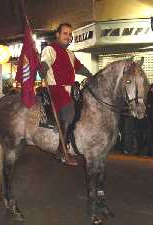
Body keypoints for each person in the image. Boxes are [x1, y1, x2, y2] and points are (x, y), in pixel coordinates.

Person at [39, 23, 92, 166]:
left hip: (70, 89)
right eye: (65, 33)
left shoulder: (70, 54)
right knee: (69, 111)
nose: (68, 37)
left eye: (70, 34)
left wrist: (91, 75)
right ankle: (61, 150)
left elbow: (79, 67)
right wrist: (43, 68)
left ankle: (72, 141)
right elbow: (45, 61)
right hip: (56, 88)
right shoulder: (50, 49)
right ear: (57, 34)